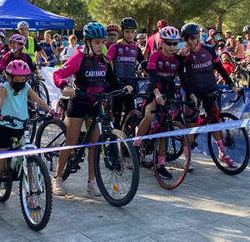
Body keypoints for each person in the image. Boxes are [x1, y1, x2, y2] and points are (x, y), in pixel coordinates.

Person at [52, 22, 133, 197]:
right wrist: (64, 86)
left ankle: (92, 182)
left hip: (97, 105)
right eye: (97, 42)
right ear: (88, 42)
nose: (101, 46)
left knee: (94, 146)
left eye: (103, 42)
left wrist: (125, 88)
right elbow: (58, 74)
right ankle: (57, 178)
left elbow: (113, 82)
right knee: (71, 142)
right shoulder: (79, 58)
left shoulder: (104, 60)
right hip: (78, 103)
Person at [0, 59, 53, 215]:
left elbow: (37, 100)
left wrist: (51, 111)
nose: (20, 83)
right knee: (0, 165)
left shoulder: (27, 87)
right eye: (16, 80)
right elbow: (1, 100)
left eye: (23, 80)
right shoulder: (5, 88)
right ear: (9, 78)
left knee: (30, 161)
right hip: (6, 128)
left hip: (22, 127)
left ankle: (31, 195)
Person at [177, 23, 241, 170]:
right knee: (191, 127)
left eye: (193, 38)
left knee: (215, 123)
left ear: (198, 37)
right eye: (186, 39)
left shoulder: (209, 50)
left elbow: (220, 68)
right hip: (193, 93)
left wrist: (232, 85)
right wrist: (191, 94)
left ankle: (222, 153)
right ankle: (187, 158)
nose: (190, 42)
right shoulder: (184, 54)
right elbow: (182, 78)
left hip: (210, 90)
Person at [133, 26, 182, 180]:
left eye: (175, 43)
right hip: (154, 90)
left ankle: (160, 164)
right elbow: (152, 78)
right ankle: (135, 145)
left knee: (165, 128)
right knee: (149, 115)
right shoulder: (155, 56)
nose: (172, 47)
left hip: (169, 91)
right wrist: (156, 94)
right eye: (169, 43)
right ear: (162, 43)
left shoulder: (177, 58)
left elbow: (184, 77)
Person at [106, 17, 146, 128]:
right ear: (122, 32)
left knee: (131, 115)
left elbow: (144, 64)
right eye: (127, 32)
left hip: (131, 85)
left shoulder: (136, 48)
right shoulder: (115, 47)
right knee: (116, 116)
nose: (130, 34)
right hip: (117, 85)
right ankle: (114, 141)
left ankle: (125, 141)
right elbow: (105, 63)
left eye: (132, 32)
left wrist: (155, 74)